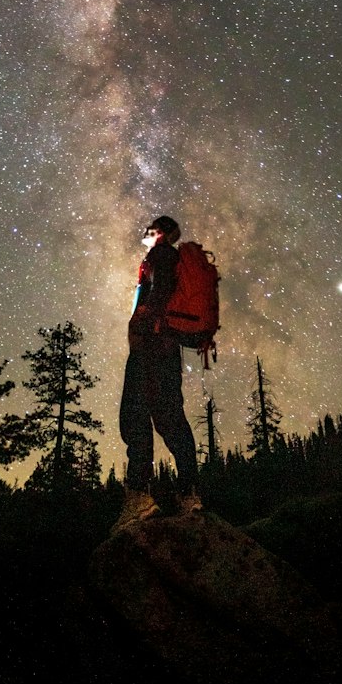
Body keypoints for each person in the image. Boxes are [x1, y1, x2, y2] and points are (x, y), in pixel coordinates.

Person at [113, 215, 202, 532]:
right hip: (166, 347)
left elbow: (160, 291)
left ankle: (139, 497)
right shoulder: (173, 258)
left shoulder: (160, 255)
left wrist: (145, 322)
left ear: (159, 232)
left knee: (134, 413)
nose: (145, 233)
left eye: (150, 230)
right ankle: (190, 495)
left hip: (150, 344)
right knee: (170, 417)